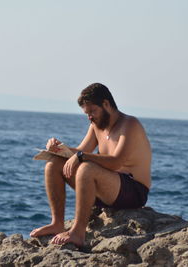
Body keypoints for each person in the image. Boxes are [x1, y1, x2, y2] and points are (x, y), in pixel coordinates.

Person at [30, 83, 152, 247]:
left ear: (106, 104)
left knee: (87, 168)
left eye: (93, 111)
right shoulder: (96, 126)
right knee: (54, 163)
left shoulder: (129, 124)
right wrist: (58, 149)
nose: (90, 117)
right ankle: (57, 223)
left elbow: (116, 162)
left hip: (133, 191)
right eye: (87, 114)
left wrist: (81, 157)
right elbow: (81, 151)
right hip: (107, 190)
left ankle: (78, 233)